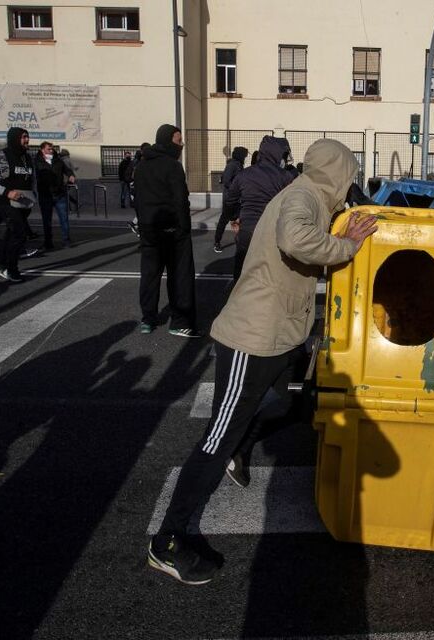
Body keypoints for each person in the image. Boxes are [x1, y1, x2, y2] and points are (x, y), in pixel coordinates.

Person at [148, 138, 378, 585]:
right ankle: (168, 541)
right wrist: (345, 245)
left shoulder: (312, 195)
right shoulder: (302, 197)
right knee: (215, 441)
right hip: (251, 340)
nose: (351, 182)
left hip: (280, 339)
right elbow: (296, 240)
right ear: (338, 171)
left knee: (296, 402)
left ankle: (240, 446)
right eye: (349, 173)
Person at [135, 124, 201, 338]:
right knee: (180, 276)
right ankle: (180, 321)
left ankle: (148, 319)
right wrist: (184, 228)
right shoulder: (172, 166)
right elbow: (180, 200)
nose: (181, 144)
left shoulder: (142, 166)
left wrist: (144, 224)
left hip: (149, 230)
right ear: (166, 141)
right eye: (178, 140)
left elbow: (138, 199)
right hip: (173, 231)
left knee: (149, 275)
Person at [224, 136, 297, 280]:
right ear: (277, 155)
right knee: (268, 278)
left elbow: (229, 200)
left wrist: (233, 218)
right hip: (271, 233)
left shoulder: (244, 174)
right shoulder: (286, 177)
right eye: (283, 155)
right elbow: (293, 205)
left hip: (246, 232)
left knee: (241, 276)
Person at [0, 127, 37, 283]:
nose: (27, 140)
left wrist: (33, 196)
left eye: (28, 137)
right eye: (24, 137)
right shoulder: (0, 157)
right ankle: (11, 269)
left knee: (11, 234)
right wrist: (6, 192)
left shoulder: (27, 158)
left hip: (23, 202)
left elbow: (31, 179)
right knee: (19, 234)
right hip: (4, 201)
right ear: (15, 138)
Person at [34, 141, 76, 250]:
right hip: (45, 195)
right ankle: (48, 243)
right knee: (46, 220)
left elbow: (67, 170)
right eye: (49, 149)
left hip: (59, 194)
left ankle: (66, 241)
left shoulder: (58, 160)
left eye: (52, 149)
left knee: (64, 219)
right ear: (42, 150)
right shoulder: (37, 161)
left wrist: (71, 175)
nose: (51, 151)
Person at [213, 146, 248, 253]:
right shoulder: (232, 165)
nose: (245, 158)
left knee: (241, 220)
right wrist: (236, 189)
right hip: (230, 200)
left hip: (237, 200)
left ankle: (243, 243)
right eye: (244, 156)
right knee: (223, 221)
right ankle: (217, 242)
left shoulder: (238, 165)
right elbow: (226, 181)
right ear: (240, 155)